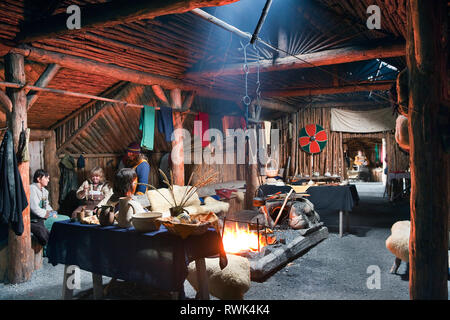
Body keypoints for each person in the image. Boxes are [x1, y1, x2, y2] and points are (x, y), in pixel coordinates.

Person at [30, 169, 70, 246]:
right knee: (62, 221)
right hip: (36, 219)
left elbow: (46, 205)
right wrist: (48, 214)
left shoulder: (44, 191)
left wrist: (52, 212)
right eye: (46, 178)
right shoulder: (32, 189)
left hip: (44, 215)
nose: (48, 180)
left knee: (67, 218)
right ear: (39, 179)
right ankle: (51, 246)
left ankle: (61, 244)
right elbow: (34, 208)